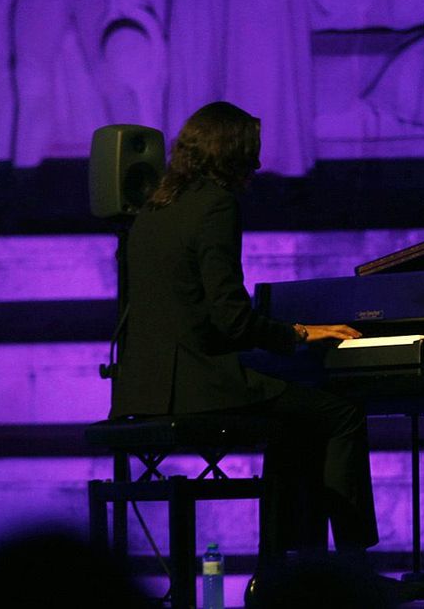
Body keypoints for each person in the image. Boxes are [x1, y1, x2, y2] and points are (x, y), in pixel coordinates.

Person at [108, 101, 378, 555]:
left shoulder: (152, 210)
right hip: (199, 387)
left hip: (145, 389)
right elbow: (230, 318)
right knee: (340, 414)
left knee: (293, 419)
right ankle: (352, 563)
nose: (256, 162)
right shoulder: (216, 206)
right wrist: (298, 333)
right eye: (251, 150)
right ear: (230, 153)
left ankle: (286, 561)